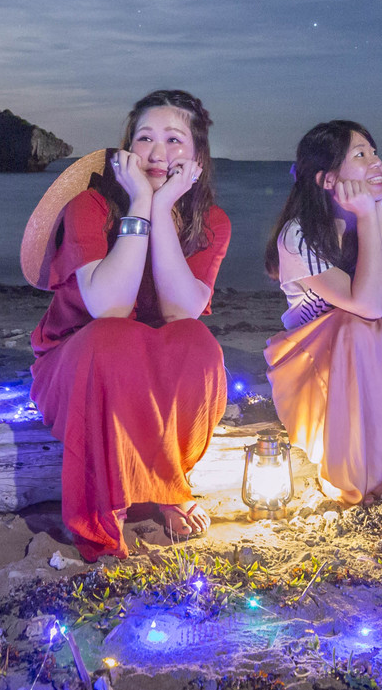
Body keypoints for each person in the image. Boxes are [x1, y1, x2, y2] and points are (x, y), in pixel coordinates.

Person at [22, 90, 230, 561]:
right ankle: (105, 504)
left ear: (197, 156)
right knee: (111, 341)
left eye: (175, 140)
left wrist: (164, 209)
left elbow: (182, 312)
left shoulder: (211, 222)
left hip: (151, 363)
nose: (158, 153)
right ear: (126, 150)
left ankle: (168, 483)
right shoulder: (90, 207)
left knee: (199, 346)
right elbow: (109, 308)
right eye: (145, 139)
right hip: (80, 362)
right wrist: (140, 201)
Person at [262, 121, 382, 506]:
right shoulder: (299, 234)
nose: (377, 163)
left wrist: (378, 214)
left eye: (374, 151)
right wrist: (367, 215)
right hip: (311, 361)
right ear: (328, 179)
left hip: (370, 348)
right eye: (360, 155)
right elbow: (365, 305)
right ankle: (355, 467)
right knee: (354, 326)